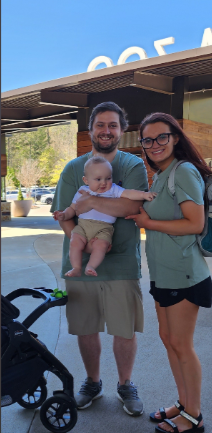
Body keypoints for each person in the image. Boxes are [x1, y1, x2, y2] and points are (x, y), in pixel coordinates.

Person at [51, 101, 148, 415]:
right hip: (80, 267)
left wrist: (91, 200)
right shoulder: (72, 169)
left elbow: (132, 209)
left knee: (124, 328)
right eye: (100, 125)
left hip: (122, 264)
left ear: (121, 130)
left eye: (113, 125)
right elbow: (66, 215)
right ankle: (92, 382)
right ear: (90, 129)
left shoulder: (132, 165)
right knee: (86, 327)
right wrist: (85, 244)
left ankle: (125, 384)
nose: (106, 131)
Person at [126, 112, 212, 433]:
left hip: (185, 274)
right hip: (163, 275)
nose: (154, 144)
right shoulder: (162, 175)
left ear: (175, 138)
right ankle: (183, 403)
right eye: (148, 140)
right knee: (169, 341)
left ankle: (193, 416)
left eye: (161, 137)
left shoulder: (184, 171)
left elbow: (195, 224)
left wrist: (149, 224)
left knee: (181, 344)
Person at [53, 156, 155, 277]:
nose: (104, 183)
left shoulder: (113, 189)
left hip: (104, 228)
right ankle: (76, 267)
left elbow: (128, 193)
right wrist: (64, 215)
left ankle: (91, 266)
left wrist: (144, 195)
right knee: (75, 242)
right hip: (83, 226)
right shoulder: (82, 191)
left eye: (108, 178)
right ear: (86, 180)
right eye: (98, 179)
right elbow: (72, 208)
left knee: (101, 246)